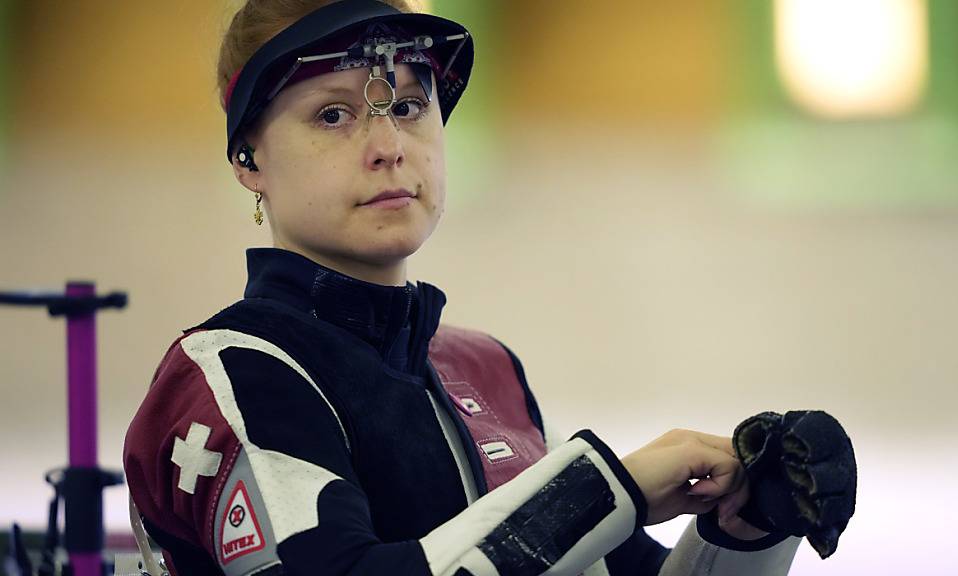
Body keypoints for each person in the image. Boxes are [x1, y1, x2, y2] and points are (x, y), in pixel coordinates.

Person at [123, 1, 802, 574]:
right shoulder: (232, 370)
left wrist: (754, 526)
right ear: (249, 158)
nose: (388, 144)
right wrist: (602, 491)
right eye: (333, 115)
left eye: (411, 105)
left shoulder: (484, 366)